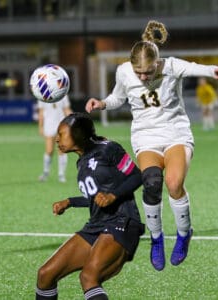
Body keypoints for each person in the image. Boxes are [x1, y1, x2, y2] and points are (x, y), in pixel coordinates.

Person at [86, 20, 218, 271]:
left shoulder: (172, 66)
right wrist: (102, 103)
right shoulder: (124, 71)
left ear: (157, 63)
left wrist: (213, 71)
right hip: (146, 135)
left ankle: (184, 234)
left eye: (148, 72)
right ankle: (156, 239)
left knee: (174, 184)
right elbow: (118, 97)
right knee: (151, 184)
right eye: (138, 72)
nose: (143, 77)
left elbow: (196, 67)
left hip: (175, 132)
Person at [35, 112, 145, 300]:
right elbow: (96, 198)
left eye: (61, 134)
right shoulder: (82, 162)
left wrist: (114, 195)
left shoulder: (109, 148)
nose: (56, 139)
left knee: (89, 277)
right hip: (97, 226)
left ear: (77, 134)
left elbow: (137, 175)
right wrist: (70, 202)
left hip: (122, 222)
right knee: (45, 274)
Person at [37, 95, 72, 183]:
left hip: (61, 125)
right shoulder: (42, 94)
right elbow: (41, 112)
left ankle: (61, 174)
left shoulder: (63, 94)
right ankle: (45, 173)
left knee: (61, 150)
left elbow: (66, 109)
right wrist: (40, 126)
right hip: (48, 125)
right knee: (49, 150)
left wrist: (73, 119)